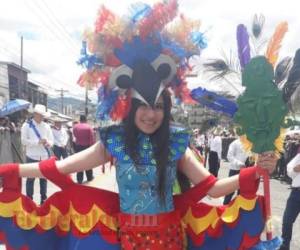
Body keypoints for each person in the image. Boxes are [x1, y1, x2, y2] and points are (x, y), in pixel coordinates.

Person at [0, 1, 279, 249]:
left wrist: (256, 171)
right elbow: (60, 168)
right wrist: (10, 170)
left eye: (158, 106)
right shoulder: (114, 142)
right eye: (143, 106)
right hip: (127, 239)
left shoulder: (175, 144)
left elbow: (214, 189)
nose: (150, 114)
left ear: (166, 108)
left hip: (170, 239)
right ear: (130, 107)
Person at [20, 104, 53, 205]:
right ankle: (29, 201)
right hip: (31, 156)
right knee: (30, 180)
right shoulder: (26, 126)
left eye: (43, 115)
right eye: (40, 115)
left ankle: (44, 200)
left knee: (44, 180)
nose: (41, 117)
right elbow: (24, 141)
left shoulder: (46, 126)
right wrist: (37, 142)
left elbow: (51, 140)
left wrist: (48, 143)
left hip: (44, 156)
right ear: (35, 114)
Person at [279, 150, 300, 250]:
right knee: (287, 220)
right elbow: (289, 168)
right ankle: (284, 245)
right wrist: (295, 170)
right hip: (296, 192)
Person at [223, 138, 249, 204]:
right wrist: (239, 163)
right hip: (234, 170)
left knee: (241, 192)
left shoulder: (249, 143)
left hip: (245, 171)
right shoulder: (235, 143)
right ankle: (224, 208)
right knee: (230, 192)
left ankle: (238, 210)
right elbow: (229, 156)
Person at [73, 115, 95, 183]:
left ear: (80, 119)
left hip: (78, 147)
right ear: (86, 120)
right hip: (87, 147)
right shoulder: (89, 127)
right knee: (88, 163)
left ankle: (79, 180)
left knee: (79, 163)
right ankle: (89, 177)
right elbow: (92, 139)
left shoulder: (75, 127)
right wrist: (92, 148)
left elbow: (74, 136)